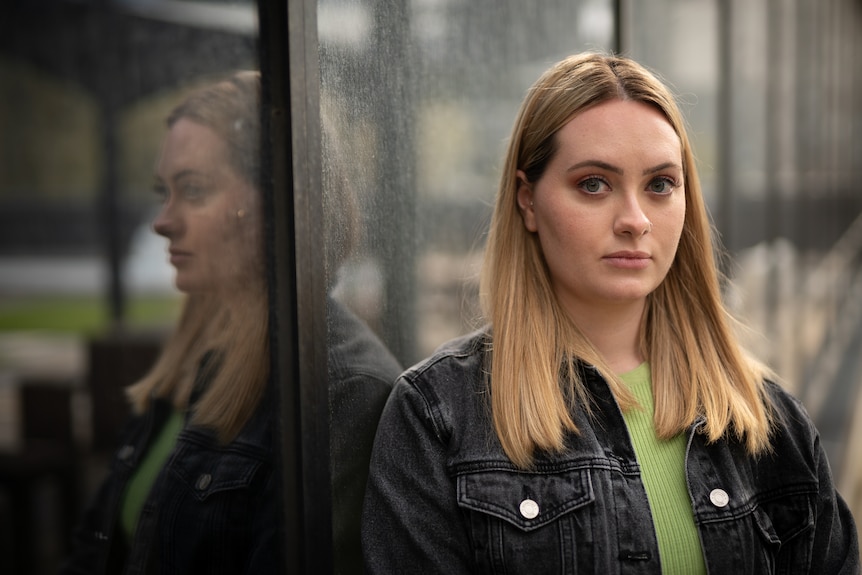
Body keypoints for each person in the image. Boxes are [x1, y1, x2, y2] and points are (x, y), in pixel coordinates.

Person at [361, 52, 860, 574]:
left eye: (660, 185)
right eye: (594, 184)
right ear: (527, 201)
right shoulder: (438, 418)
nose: (635, 220)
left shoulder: (767, 420)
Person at [61, 71, 400, 574]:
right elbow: (99, 544)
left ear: (280, 200)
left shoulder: (340, 389)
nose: (163, 220)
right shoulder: (198, 354)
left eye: (193, 190)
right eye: (164, 192)